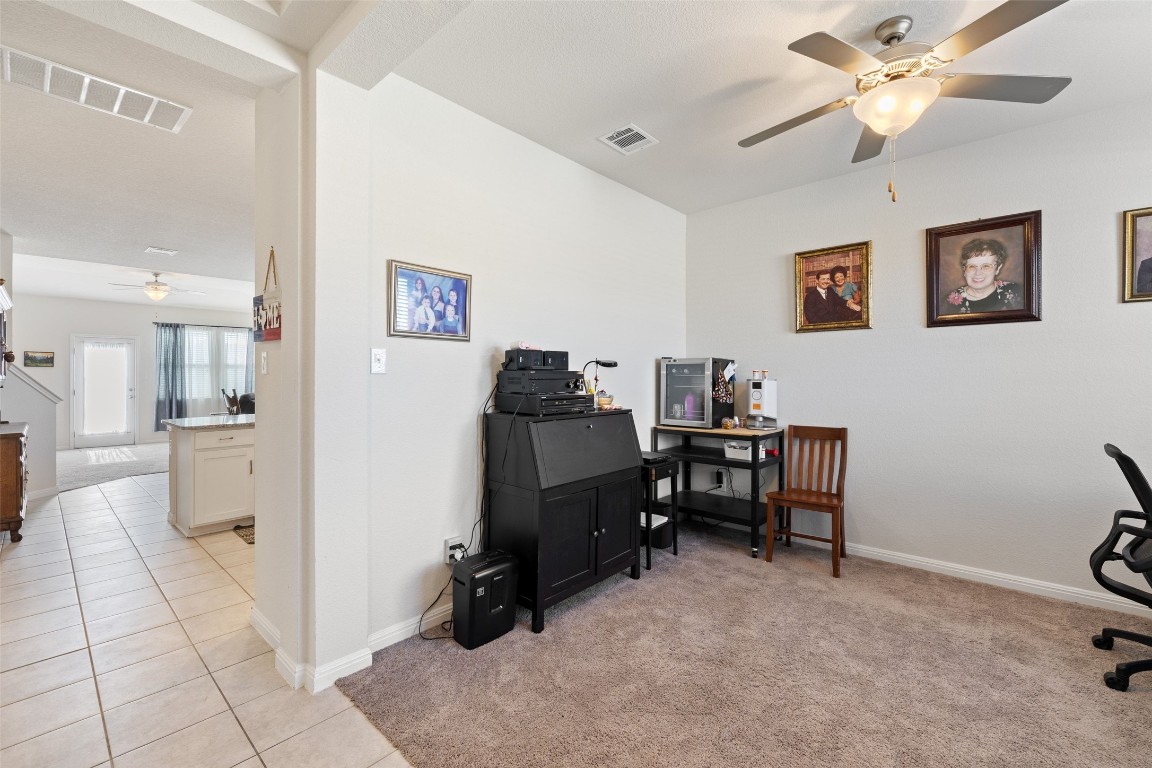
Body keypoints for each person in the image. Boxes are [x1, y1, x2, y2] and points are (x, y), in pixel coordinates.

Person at [942, 238, 1023, 314]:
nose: (978, 273)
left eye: (986, 266)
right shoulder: (949, 301)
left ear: (997, 268)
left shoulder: (1015, 291)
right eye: (972, 266)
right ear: (964, 270)